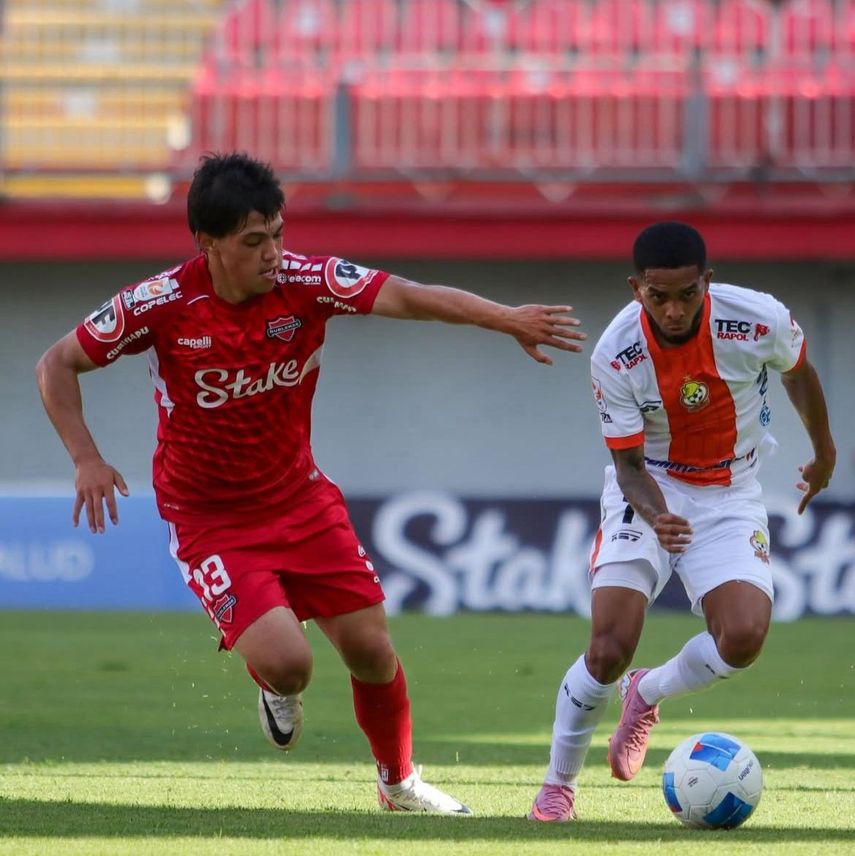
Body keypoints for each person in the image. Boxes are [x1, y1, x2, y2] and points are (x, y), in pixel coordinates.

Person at [36, 152, 586, 816]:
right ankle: (274, 684)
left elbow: (409, 296)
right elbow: (57, 362)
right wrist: (86, 458)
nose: (273, 252)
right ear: (207, 244)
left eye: (277, 232)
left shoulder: (306, 282)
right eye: (253, 240)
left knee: (371, 650)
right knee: (292, 664)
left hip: (299, 497)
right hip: (209, 518)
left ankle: (398, 784)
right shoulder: (161, 304)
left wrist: (505, 319)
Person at [528, 220, 836, 822]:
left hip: (732, 489)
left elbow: (800, 372)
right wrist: (659, 516)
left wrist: (824, 453)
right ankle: (558, 786)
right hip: (650, 483)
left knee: (744, 639)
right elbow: (628, 462)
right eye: (657, 295)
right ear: (635, 287)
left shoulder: (758, 319)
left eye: (687, 294)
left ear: (708, 284)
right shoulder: (616, 354)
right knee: (608, 647)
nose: (673, 309)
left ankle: (647, 693)